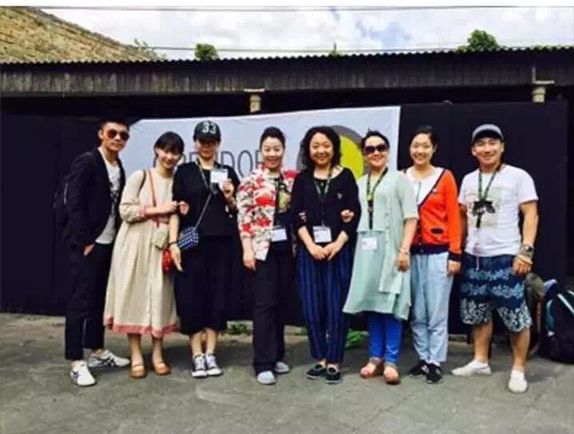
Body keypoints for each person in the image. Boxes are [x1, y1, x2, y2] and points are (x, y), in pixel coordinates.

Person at [452, 123, 539, 394]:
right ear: (473, 150)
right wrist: (458, 249)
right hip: (474, 256)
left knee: (515, 315)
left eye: (492, 143)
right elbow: (461, 216)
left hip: (506, 256)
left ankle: (518, 369)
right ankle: (480, 361)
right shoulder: (468, 179)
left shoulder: (518, 176)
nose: (486, 148)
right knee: (477, 311)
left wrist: (525, 251)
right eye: (481, 144)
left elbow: (531, 214)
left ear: (502, 147)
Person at [104, 132, 185, 379]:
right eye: (165, 150)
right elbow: (125, 210)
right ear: (156, 150)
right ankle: (136, 354)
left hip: (161, 244)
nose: (169, 157)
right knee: (135, 296)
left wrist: (179, 216)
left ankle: (158, 353)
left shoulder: (178, 182)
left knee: (160, 297)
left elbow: (177, 215)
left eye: (174, 152)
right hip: (135, 242)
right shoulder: (140, 176)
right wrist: (158, 209)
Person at [343, 130, 418, 385]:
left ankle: (391, 360)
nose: (375, 153)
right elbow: (355, 213)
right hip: (366, 250)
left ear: (388, 151)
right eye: (370, 149)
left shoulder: (399, 179)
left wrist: (404, 250)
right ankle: (375, 357)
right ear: (364, 154)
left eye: (380, 148)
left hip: (392, 249)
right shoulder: (359, 183)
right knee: (372, 304)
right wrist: (347, 216)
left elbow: (411, 217)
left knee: (392, 305)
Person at [62, 118, 131, 387]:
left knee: (99, 299)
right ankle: (75, 360)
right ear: (101, 134)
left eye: (123, 135)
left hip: (109, 241)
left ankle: (97, 350)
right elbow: (73, 201)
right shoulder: (88, 161)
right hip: (89, 243)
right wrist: (84, 239)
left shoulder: (118, 166)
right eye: (112, 133)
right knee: (79, 301)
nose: (117, 138)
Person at [169, 120, 240, 379]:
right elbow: (175, 209)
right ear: (195, 142)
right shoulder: (185, 171)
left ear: (218, 143)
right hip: (193, 245)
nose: (206, 146)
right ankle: (196, 354)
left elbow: (236, 210)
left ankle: (211, 352)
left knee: (217, 296)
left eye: (211, 141)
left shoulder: (227, 171)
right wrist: (173, 243)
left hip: (222, 243)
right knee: (191, 297)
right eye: (202, 141)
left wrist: (230, 197)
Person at [291, 126, 360, 384]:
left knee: (336, 307)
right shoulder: (302, 179)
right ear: (308, 150)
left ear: (334, 147)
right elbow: (295, 216)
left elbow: (354, 214)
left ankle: (334, 361)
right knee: (311, 307)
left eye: (326, 145)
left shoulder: (346, 176)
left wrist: (337, 244)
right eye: (315, 145)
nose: (321, 150)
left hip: (337, 252)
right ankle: (319, 357)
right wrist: (311, 246)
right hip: (310, 253)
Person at [237, 127, 297, 385]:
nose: (272, 154)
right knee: (264, 305)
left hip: (287, 249)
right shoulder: (251, 180)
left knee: (281, 303)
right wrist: (247, 248)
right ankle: (262, 362)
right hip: (262, 250)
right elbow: (244, 217)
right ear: (261, 151)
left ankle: (277, 355)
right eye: (267, 149)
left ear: (284, 150)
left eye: (277, 149)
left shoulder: (292, 179)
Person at [404, 126, 461, 384]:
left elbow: (454, 217)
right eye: (416, 145)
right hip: (411, 254)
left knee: (436, 310)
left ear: (434, 148)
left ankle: (435, 361)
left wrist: (455, 253)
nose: (420, 150)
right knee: (417, 311)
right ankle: (423, 357)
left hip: (439, 252)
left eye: (425, 146)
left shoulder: (444, 177)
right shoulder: (402, 177)